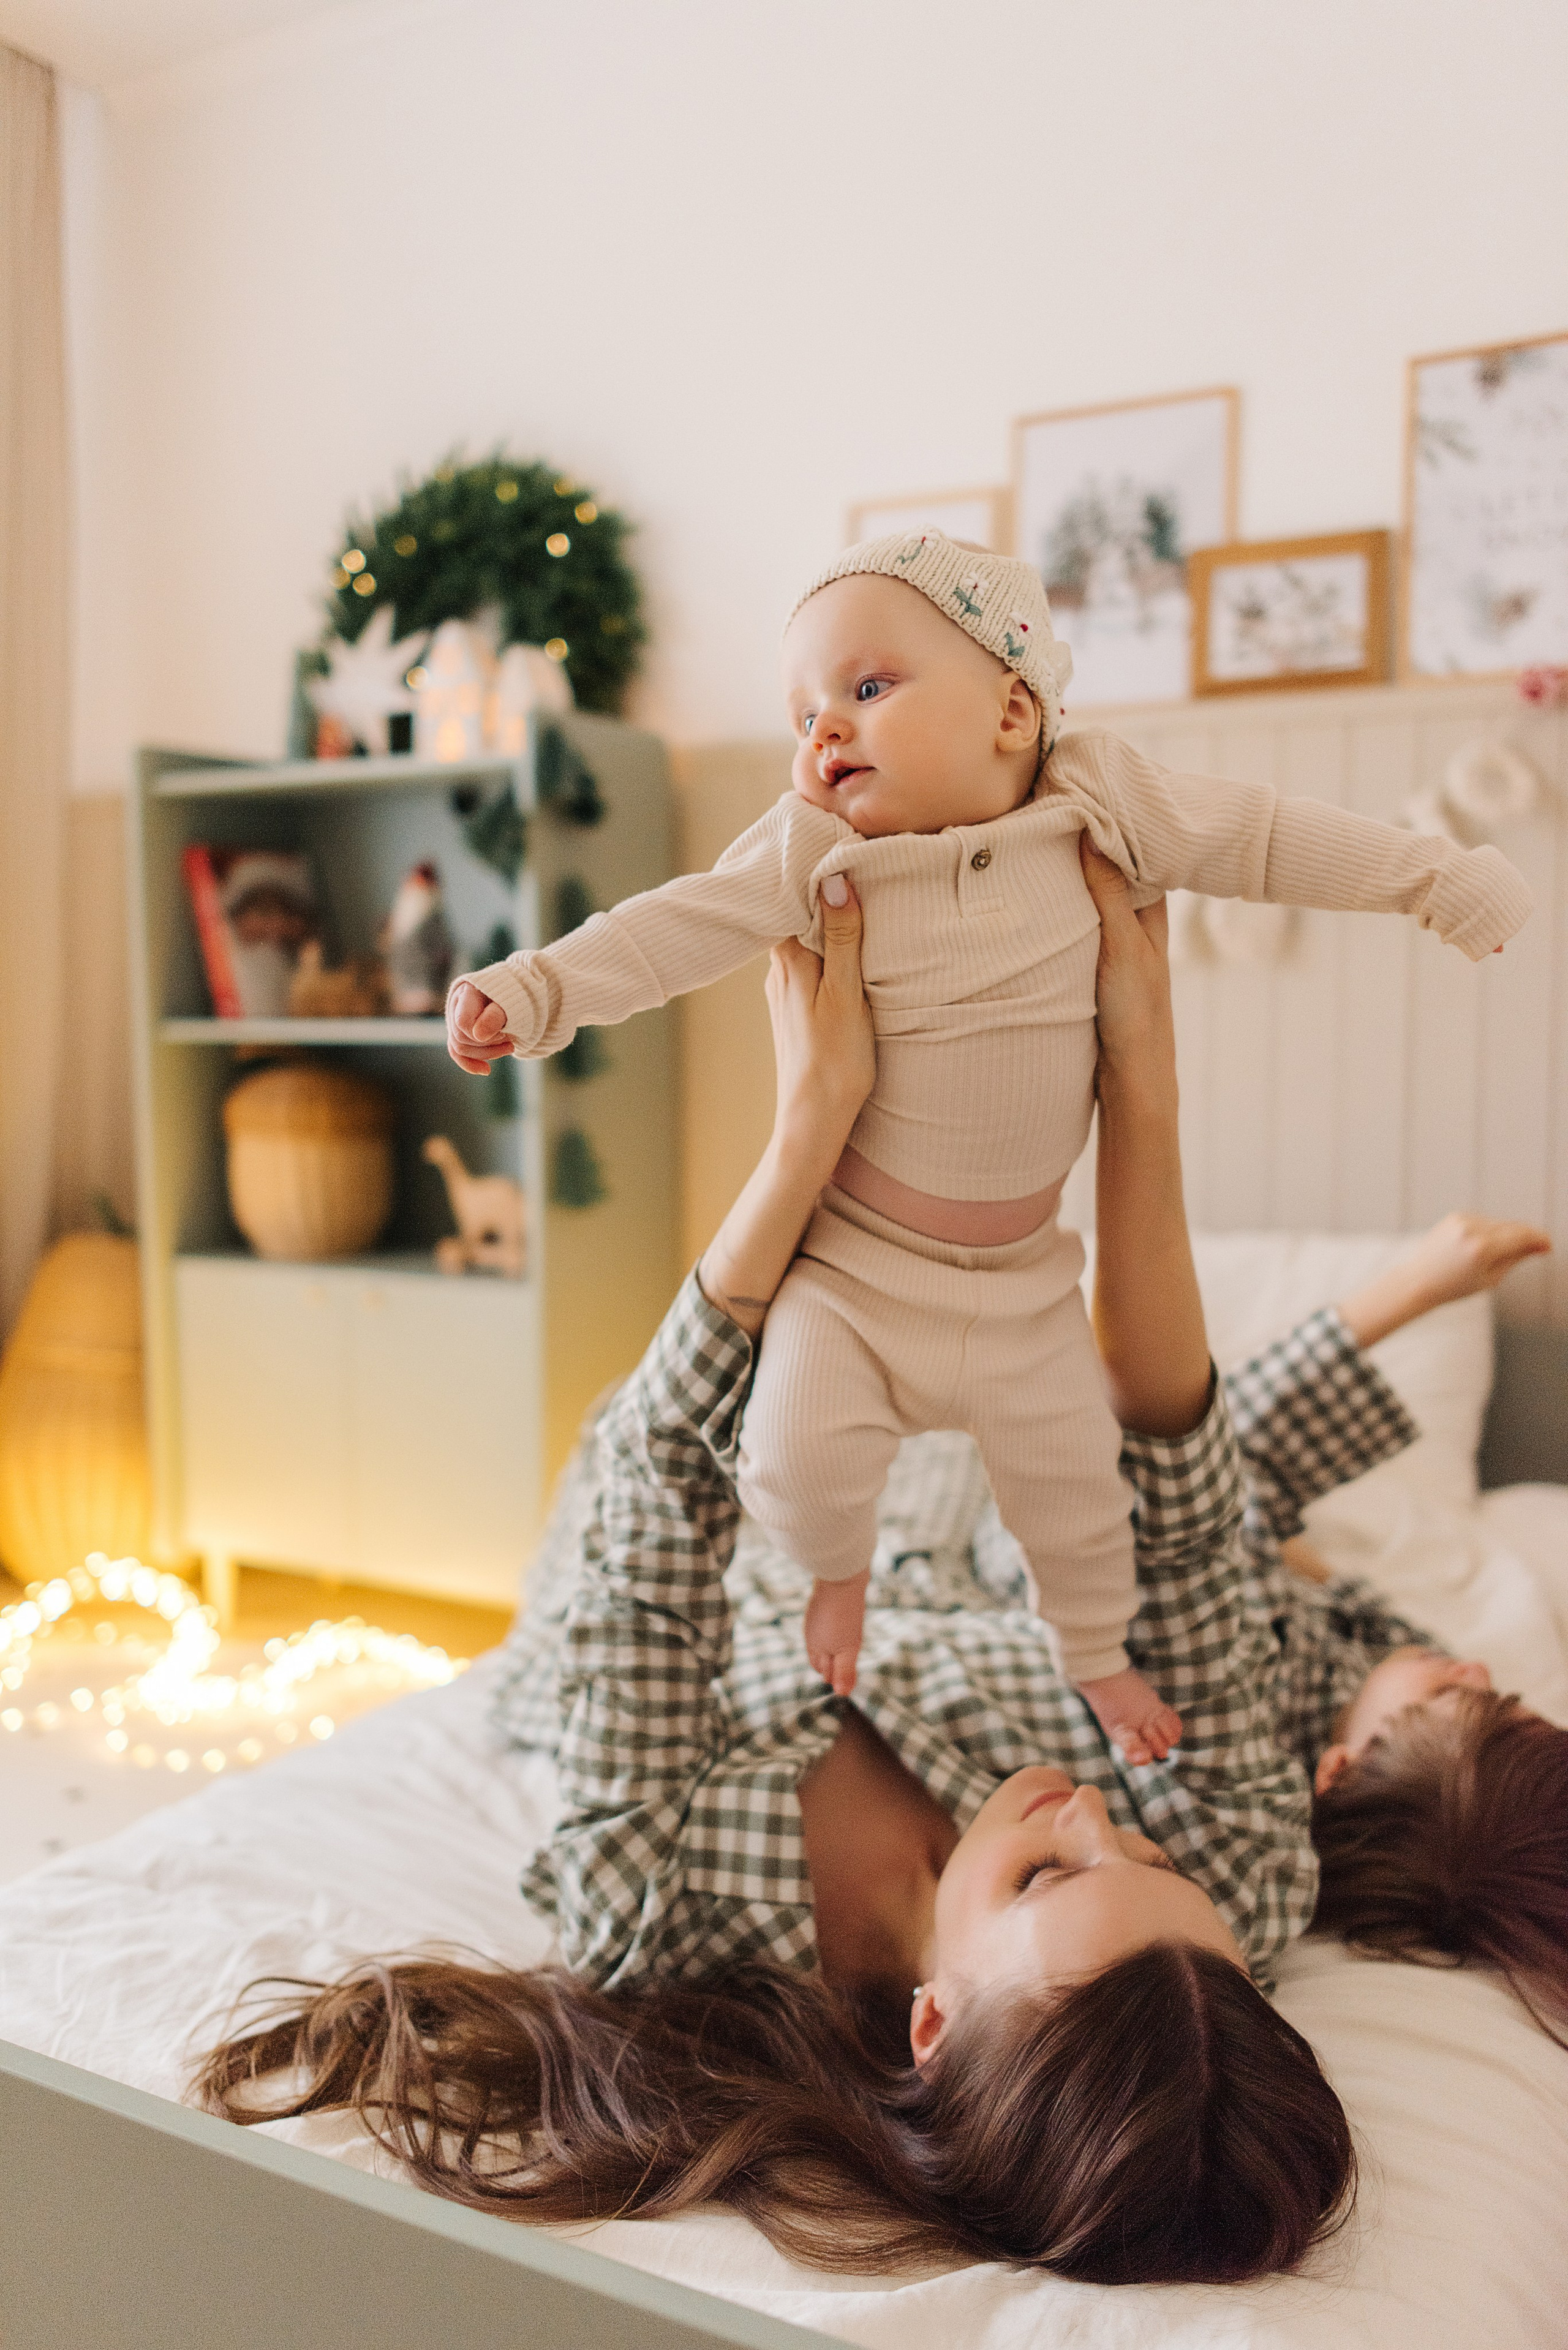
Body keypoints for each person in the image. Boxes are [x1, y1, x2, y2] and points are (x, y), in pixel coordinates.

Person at [200, 843, 1359, 2288]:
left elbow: (647, 1496)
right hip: (886, 1532)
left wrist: (808, 1123)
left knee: (745, 1442)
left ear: (932, 2024)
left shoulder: (649, 1903)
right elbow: (1178, 1506)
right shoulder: (1226, 1903)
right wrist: (1143, 1084)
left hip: (649, 1537)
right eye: (1146, 1846)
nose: (1096, 1812)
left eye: (1053, 1869)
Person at [445, 532, 1529, 1761]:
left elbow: (1271, 837)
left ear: (1013, 707)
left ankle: (1096, 1660)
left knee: (1081, 1505)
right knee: (790, 1459)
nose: (822, 732)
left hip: (1023, 1287)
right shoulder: (811, 850)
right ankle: (836, 1572)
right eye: (803, 709)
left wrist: (1441, 884)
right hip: (853, 1274)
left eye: (865, 688)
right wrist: (533, 990)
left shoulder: (1100, 799)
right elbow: (672, 926)